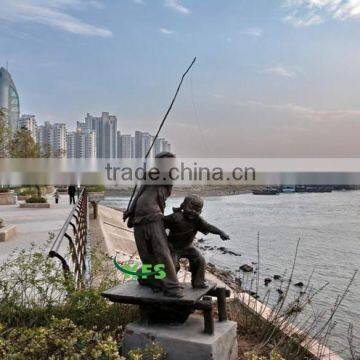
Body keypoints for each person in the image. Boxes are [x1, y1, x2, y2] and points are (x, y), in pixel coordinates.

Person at [123, 152, 183, 298]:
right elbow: (139, 194)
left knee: (161, 251)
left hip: (153, 218)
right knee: (146, 254)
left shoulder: (166, 177)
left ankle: (173, 286)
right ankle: (154, 280)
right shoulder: (149, 176)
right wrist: (129, 210)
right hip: (138, 219)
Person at [164, 194, 230, 289]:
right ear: (183, 206)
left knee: (199, 260)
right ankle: (171, 285)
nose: (193, 212)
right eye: (191, 208)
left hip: (187, 246)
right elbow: (160, 224)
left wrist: (220, 232)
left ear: (200, 211)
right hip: (173, 247)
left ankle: (198, 282)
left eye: (197, 210)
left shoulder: (197, 221)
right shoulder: (175, 217)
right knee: (173, 265)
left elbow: (209, 227)